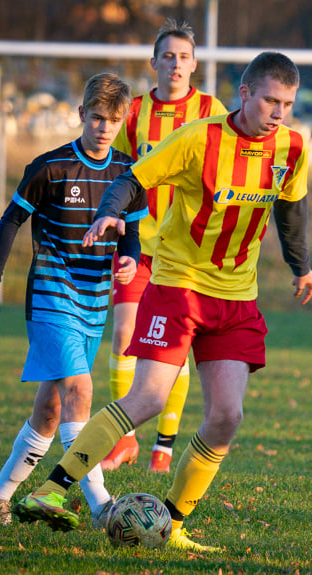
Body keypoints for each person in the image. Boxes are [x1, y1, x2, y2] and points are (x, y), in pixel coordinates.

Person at [13, 51, 312, 553]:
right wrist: (111, 214)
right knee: (149, 398)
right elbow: (132, 179)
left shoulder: (293, 147)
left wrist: (300, 265)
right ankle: (51, 490)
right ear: (244, 94)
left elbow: (291, 209)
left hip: (238, 296)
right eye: (270, 100)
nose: (279, 111)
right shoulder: (199, 138)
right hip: (178, 285)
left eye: (287, 102)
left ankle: (171, 524)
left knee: (227, 416)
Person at [0, 73, 147, 529]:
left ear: (123, 120)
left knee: (50, 410)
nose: (103, 128)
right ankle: (101, 506)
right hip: (52, 295)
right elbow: (9, 223)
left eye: (112, 120)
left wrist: (129, 261)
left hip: (93, 302)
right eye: (96, 117)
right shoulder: (50, 168)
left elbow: (133, 235)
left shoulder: (128, 174)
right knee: (82, 392)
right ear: (81, 115)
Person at [101, 19, 227, 475]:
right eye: (168, 56)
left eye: (184, 56)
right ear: (154, 63)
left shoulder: (212, 109)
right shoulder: (133, 112)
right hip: (138, 242)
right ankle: (124, 440)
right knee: (123, 336)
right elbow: (120, 170)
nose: (176, 64)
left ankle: (165, 447)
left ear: (194, 65)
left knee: (175, 346)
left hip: (187, 252)